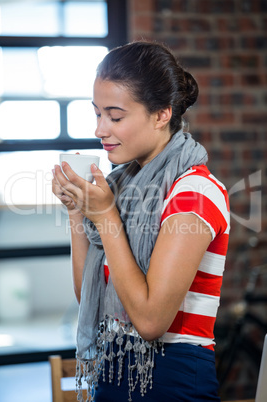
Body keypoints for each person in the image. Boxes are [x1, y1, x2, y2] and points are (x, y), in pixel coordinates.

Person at [52, 41, 230, 402]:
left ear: (162, 113)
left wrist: (104, 216)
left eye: (115, 117)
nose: (101, 129)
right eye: (97, 113)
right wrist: (77, 211)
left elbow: (150, 322)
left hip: (172, 381)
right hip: (113, 372)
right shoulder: (121, 187)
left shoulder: (194, 192)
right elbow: (90, 295)